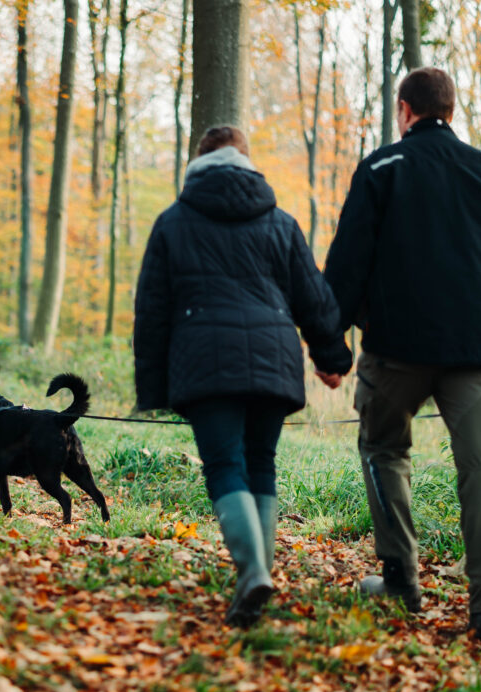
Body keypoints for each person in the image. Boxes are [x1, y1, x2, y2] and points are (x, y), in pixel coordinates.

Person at [320, 67, 481, 645]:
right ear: (452, 109)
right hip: (479, 349)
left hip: (396, 348)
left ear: (404, 110)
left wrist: (330, 346)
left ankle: (401, 581)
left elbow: (347, 263)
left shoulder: (382, 168)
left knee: (384, 450)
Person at [133, 126, 352, 627]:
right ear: (246, 162)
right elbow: (313, 297)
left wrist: (153, 389)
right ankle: (258, 578)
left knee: (224, 464)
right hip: (274, 358)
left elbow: (152, 311)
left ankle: (253, 575)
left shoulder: (173, 223)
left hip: (205, 362)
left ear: (198, 162)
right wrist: (332, 357)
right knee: (260, 462)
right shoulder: (280, 221)